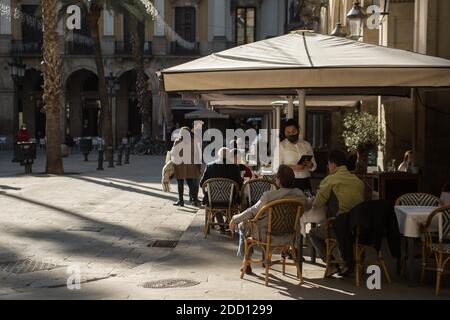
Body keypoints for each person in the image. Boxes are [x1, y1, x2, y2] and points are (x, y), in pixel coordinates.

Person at [229, 165, 306, 274]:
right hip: (291, 236)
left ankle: (246, 261)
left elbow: (252, 211)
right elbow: (307, 207)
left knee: (243, 225)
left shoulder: (269, 195)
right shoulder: (300, 195)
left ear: (278, 180)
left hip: (267, 236)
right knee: (247, 224)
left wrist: (235, 219)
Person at [308, 149, 365, 276]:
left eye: (328, 164)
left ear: (332, 165)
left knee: (312, 233)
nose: (328, 167)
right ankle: (355, 262)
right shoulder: (358, 180)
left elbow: (317, 203)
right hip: (359, 227)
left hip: (339, 226)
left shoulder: (330, 180)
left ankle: (331, 265)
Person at [275, 119, 317, 192]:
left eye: (294, 131)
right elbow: (276, 167)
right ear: (284, 133)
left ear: (298, 131)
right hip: (288, 183)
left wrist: (310, 165)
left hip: (305, 181)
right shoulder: (281, 146)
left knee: (306, 202)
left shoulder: (306, 145)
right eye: (288, 132)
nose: (291, 134)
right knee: (291, 202)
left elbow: (314, 165)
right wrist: (293, 167)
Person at [171, 126, 201, 207]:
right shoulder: (193, 141)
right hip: (190, 165)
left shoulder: (178, 141)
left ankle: (181, 201)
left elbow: (173, 153)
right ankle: (195, 200)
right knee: (190, 183)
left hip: (179, 165)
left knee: (180, 183)